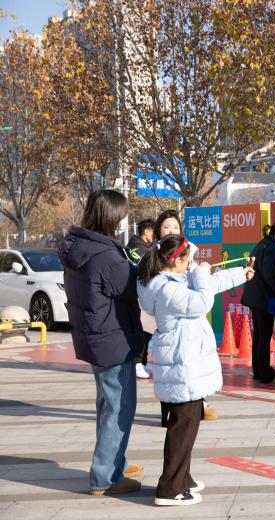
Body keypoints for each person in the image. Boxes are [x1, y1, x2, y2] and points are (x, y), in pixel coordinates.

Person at [137, 235, 252, 506]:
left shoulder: (169, 280)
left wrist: (241, 274)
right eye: (188, 260)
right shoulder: (167, 289)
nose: (191, 265)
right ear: (175, 260)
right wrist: (201, 273)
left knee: (187, 424)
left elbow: (209, 285)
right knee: (182, 426)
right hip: (183, 364)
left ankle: (182, 478)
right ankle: (169, 487)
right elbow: (203, 300)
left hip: (185, 361)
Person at [58, 189, 145, 496]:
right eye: (122, 215)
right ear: (111, 217)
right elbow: (133, 286)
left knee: (107, 406)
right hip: (113, 339)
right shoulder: (106, 256)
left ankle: (113, 463)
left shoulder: (80, 247)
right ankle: (106, 477)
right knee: (119, 409)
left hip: (96, 338)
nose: (124, 220)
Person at [151, 210, 217, 421]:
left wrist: (236, 275)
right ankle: (175, 413)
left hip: (187, 322)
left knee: (184, 368)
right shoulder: (153, 259)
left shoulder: (186, 253)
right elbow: (202, 298)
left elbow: (200, 282)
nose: (171, 230)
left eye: (175, 227)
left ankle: (193, 406)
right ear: (158, 230)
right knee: (171, 369)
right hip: (170, 322)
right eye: (166, 227)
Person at [241, 220, 275, 385]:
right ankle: (266, 374)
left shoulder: (263, 244)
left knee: (259, 335)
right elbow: (270, 274)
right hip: (263, 298)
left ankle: (258, 370)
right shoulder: (271, 248)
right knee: (264, 336)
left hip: (255, 296)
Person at [127, 218, 156, 379]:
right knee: (142, 330)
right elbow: (146, 266)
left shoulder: (145, 246)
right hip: (137, 294)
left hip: (144, 293)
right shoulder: (137, 247)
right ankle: (137, 363)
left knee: (148, 329)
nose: (154, 235)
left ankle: (142, 361)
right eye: (153, 232)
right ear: (146, 231)